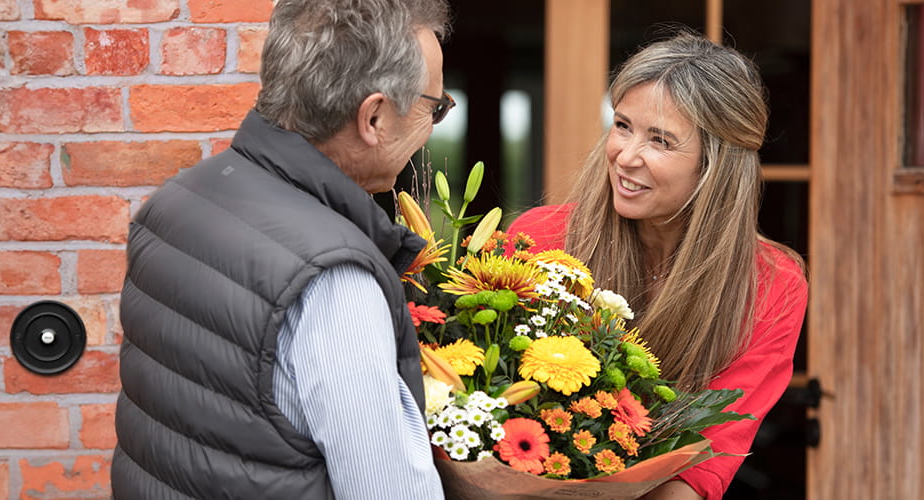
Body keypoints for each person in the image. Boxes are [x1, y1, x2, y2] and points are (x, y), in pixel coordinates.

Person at [112, 0, 453, 498]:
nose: (432, 126)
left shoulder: (177, 201)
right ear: (374, 118)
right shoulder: (334, 282)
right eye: (435, 107)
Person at [506, 32, 808, 500]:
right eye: (622, 125)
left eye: (660, 140)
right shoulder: (540, 240)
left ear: (715, 164)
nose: (625, 156)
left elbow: (708, 459)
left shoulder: (773, 286)